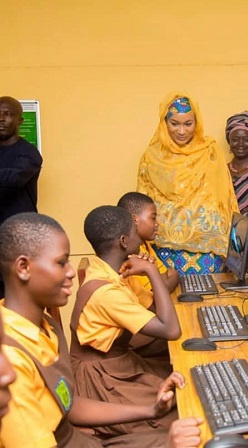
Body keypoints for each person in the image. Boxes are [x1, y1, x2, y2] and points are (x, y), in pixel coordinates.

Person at [0, 212, 187, 447]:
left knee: (189, 426)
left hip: (81, 440)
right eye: (61, 262)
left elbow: (68, 405)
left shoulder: (44, 326)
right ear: (24, 267)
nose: (70, 272)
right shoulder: (11, 360)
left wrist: (152, 410)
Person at [71, 206, 182, 440]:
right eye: (134, 233)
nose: (139, 239)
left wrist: (144, 272)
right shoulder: (106, 292)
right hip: (102, 379)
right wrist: (152, 271)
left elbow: (153, 309)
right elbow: (171, 329)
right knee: (179, 408)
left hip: (119, 364)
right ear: (123, 241)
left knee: (187, 378)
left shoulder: (115, 272)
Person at [137, 93, 238, 274]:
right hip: (164, 249)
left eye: (188, 124)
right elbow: (143, 203)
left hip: (207, 250)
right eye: (174, 123)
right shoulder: (151, 157)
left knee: (210, 299)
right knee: (169, 297)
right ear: (164, 123)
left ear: (196, 123)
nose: (181, 131)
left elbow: (223, 199)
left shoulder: (210, 151)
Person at [117, 191, 179, 361]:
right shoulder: (130, 256)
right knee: (186, 331)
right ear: (135, 219)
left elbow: (166, 275)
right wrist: (166, 278)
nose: (157, 224)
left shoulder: (144, 247)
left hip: (148, 322)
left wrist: (165, 278)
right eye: (153, 218)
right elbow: (160, 290)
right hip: (138, 333)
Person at [0, 96, 43, 298]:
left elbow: (13, 178)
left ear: (20, 120)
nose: (1, 119)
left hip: (19, 238)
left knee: (18, 297)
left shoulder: (29, 153)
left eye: (8, 114)